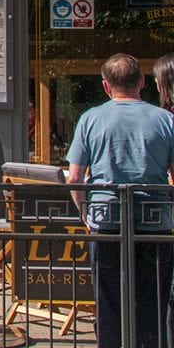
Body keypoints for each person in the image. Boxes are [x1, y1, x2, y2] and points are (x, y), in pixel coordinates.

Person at [66, 53, 174, 348]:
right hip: (155, 221)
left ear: (105, 86)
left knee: (109, 300)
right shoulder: (166, 120)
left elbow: (74, 178)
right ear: (141, 82)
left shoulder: (90, 119)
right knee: (153, 300)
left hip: (106, 218)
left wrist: (86, 214)